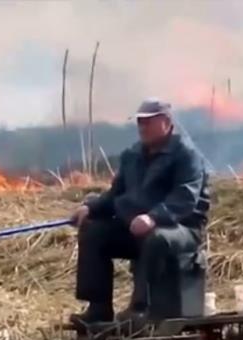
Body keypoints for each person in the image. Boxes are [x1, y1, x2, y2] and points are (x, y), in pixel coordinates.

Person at [69, 98, 211, 323]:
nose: (142, 128)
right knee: (94, 232)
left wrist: (153, 217)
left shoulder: (187, 155)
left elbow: (185, 197)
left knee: (155, 238)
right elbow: (116, 194)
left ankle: (140, 307)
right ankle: (98, 309)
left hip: (181, 229)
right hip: (136, 228)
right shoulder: (132, 156)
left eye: (148, 122)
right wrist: (90, 207)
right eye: (140, 123)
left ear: (166, 123)